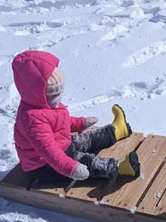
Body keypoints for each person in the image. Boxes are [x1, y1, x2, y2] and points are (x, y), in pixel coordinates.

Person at [12, 50, 140, 182]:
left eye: (59, 92)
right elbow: (49, 151)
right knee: (86, 161)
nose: (58, 97)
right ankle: (121, 168)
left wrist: (80, 123)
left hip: (60, 144)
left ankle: (118, 130)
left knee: (86, 139)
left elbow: (59, 122)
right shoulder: (32, 120)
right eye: (54, 94)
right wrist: (71, 168)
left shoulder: (44, 103)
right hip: (44, 165)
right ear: (38, 94)